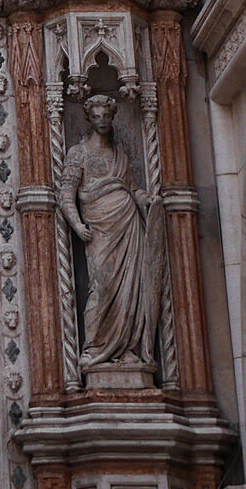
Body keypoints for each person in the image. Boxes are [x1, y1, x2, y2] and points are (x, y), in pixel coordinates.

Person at [61, 93, 164, 375]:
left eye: (106, 116)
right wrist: (77, 224)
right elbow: (66, 194)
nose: (102, 121)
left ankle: (129, 350)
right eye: (96, 116)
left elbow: (131, 187)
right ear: (88, 118)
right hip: (99, 230)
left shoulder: (120, 152)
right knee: (102, 287)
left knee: (132, 290)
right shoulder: (78, 153)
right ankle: (95, 349)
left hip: (129, 224)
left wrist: (146, 200)